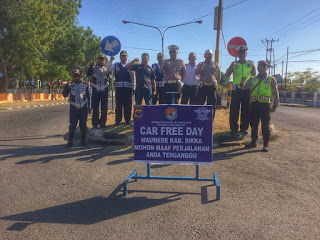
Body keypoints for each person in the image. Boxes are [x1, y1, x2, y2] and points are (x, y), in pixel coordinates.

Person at [241, 60, 279, 152]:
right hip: (254, 104)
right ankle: (253, 142)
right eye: (259, 66)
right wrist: (242, 82)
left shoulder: (271, 79)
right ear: (257, 68)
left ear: (266, 68)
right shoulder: (252, 78)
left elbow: (276, 93)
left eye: (263, 66)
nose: (261, 68)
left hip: (265, 105)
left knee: (265, 125)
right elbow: (243, 87)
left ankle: (266, 144)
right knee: (254, 124)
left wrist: (275, 105)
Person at [225, 46, 256, 136]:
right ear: (238, 54)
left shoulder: (251, 65)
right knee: (234, 109)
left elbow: (254, 77)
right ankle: (233, 128)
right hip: (236, 89)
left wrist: (250, 87)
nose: (242, 54)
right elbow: (227, 75)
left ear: (246, 54)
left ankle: (244, 129)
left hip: (246, 89)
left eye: (243, 53)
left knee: (246, 109)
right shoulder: (234, 64)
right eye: (240, 53)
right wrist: (231, 67)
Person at [62, 69, 91, 148]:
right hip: (73, 108)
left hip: (83, 108)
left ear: (80, 76)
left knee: (83, 125)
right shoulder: (70, 85)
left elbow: (89, 97)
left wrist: (89, 107)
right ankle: (70, 142)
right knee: (72, 125)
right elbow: (64, 95)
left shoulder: (85, 85)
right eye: (75, 76)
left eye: (78, 75)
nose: (76, 77)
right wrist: (66, 87)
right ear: (73, 77)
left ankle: (83, 141)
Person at [107, 50, 135, 125]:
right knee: (118, 106)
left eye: (125, 56)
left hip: (128, 89)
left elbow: (133, 77)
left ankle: (128, 120)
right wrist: (110, 60)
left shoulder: (130, 66)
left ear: (127, 57)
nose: (124, 57)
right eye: (122, 56)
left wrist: (133, 87)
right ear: (120, 57)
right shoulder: (116, 65)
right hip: (119, 89)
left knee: (128, 106)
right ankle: (118, 121)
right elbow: (108, 69)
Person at [196, 49, 221, 119]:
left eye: (210, 55)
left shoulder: (216, 65)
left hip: (212, 87)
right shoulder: (201, 64)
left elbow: (218, 76)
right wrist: (200, 68)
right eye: (207, 55)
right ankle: (199, 119)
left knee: (212, 104)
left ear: (212, 56)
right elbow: (196, 73)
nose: (208, 56)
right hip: (203, 86)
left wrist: (213, 82)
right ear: (204, 56)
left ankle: (210, 121)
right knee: (200, 103)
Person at [86, 53, 109, 128]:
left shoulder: (107, 68)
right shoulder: (94, 68)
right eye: (100, 59)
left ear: (104, 60)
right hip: (95, 90)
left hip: (104, 91)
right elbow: (88, 74)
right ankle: (95, 123)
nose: (101, 60)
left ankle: (103, 123)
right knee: (95, 108)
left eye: (103, 59)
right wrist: (91, 66)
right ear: (97, 59)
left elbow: (110, 78)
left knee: (104, 108)